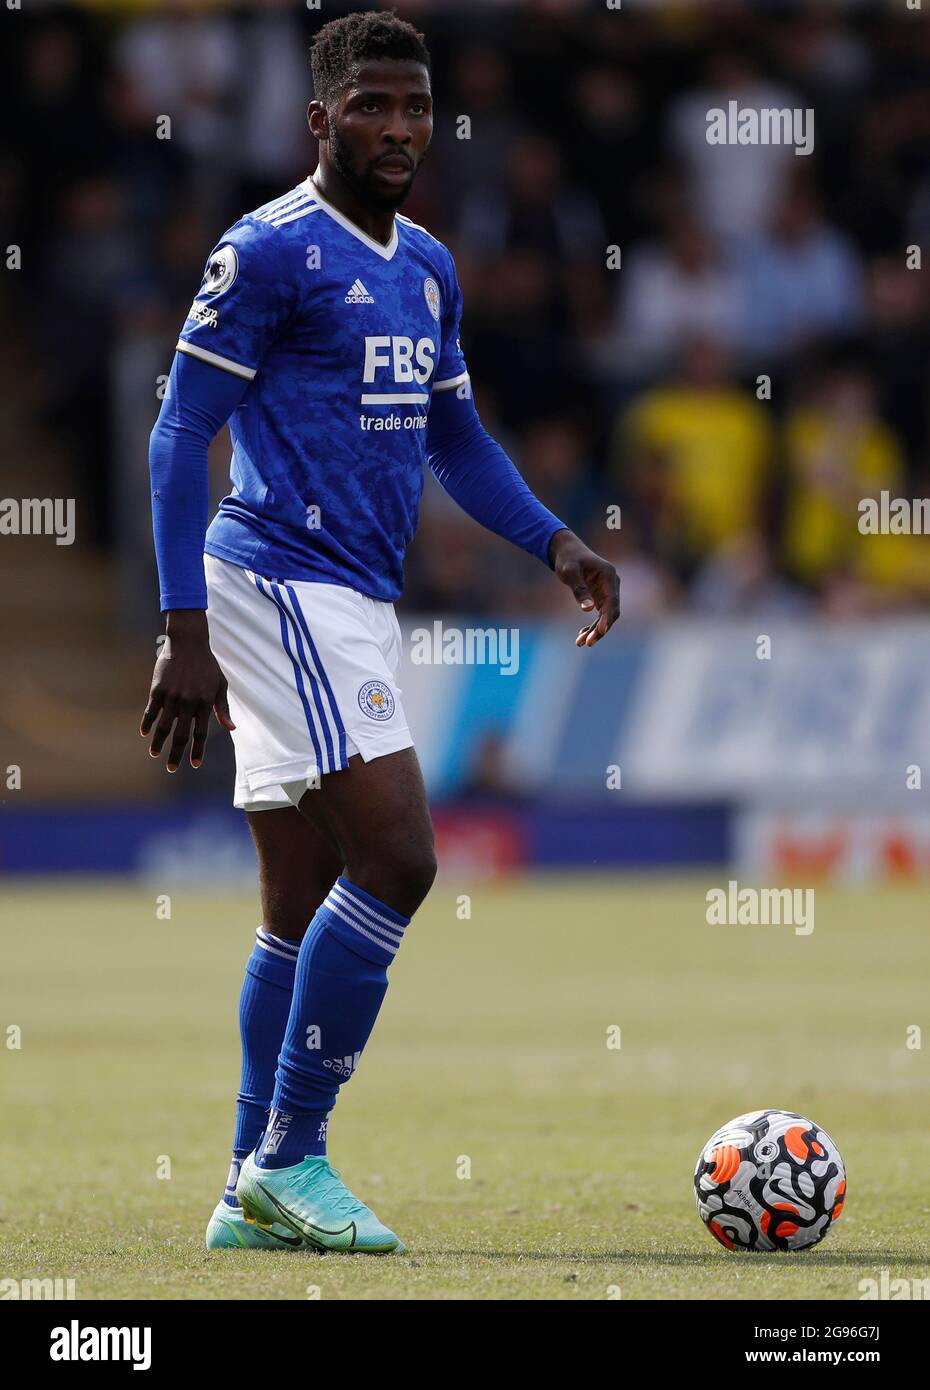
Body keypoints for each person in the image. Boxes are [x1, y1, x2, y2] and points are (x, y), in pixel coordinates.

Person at [143, 10, 619, 1255]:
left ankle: (248, 1185)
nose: (399, 128)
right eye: (372, 107)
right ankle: (295, 1154)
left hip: (348, 595)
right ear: (321, 120)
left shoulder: (428, 266)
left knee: (298, 899)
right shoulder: (269, 253)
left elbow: (455, 435)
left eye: (414, 107)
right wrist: (178, 628)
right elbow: (177, 430)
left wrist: (555, 541)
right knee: (402, 857)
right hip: (275, 578)